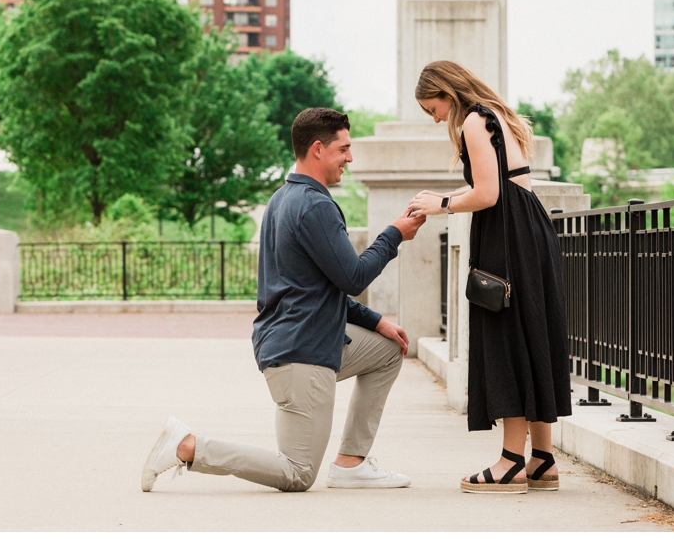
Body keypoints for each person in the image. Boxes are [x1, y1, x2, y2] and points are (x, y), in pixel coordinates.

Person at [141, 108, 426, 493]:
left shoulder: (283, 199)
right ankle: (188, 447)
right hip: (301, 350)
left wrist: (376, 322)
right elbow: (352, 277)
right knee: (297, 472)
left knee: (388, 349)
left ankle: (351, 463)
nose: (350, 158)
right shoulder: (315, 206)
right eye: (344, 149)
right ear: (318, 149)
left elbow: (315, 286)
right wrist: (393, 234)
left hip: (305, 338)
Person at [404, 60, 570, 494]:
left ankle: (511, 461)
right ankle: (542, 460)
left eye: (432, 107)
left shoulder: (474, 122)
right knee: (531, 336)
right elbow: (503, 185)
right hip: (528, 229)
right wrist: (444, 199)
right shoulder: (496, 115)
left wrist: (441, 202)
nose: (435, 117)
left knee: (507, 339)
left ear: (446, 93)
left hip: (508, 236)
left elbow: (488, 194)